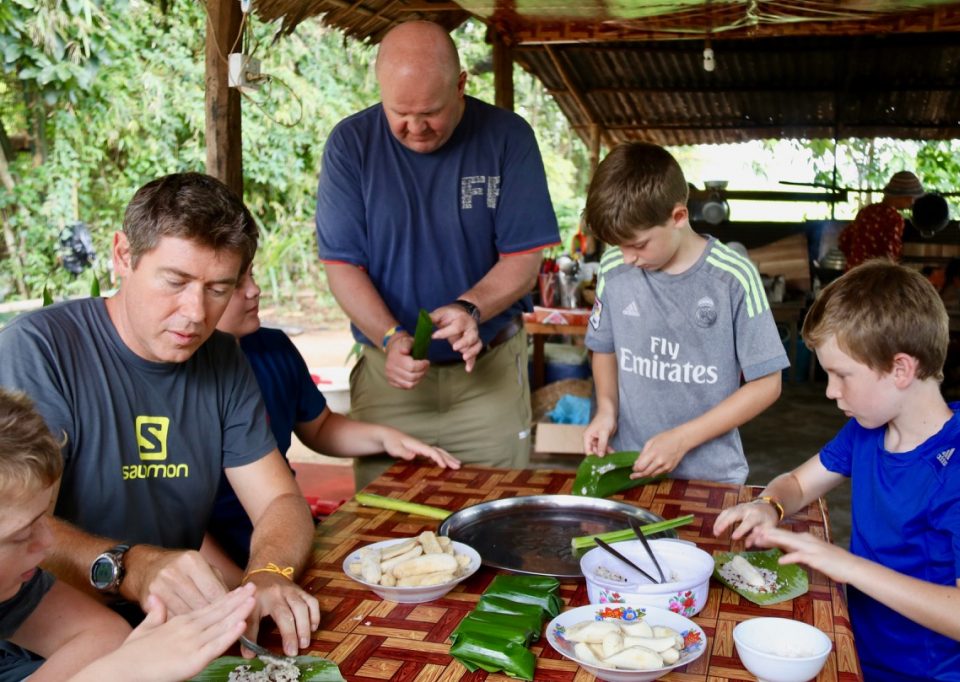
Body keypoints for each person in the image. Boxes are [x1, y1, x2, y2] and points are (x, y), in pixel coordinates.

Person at [0, 173, 319, 660]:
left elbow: (279, 499)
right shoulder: (38, 350)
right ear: (123, 255)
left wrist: (267, 576)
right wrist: (132, 567)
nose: (195, 312)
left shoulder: (223, 358)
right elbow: (18, 525)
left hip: (181, 633)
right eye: (176, 281)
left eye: (218, 288)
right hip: (45, 645)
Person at [713, 261, 960, 680]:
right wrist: (769, 506)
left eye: (842, 375)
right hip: (862, 653)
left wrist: (846, 565)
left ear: (901, 369)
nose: (831, 391)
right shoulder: (867, 432)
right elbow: (798, 483)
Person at [315, 20, 561, 490]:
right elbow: (342, 266)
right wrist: (390, 339)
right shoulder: (351, 145)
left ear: (461, 84)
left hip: (486, 379)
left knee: (494, 512)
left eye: (430, 112)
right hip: (392, 383)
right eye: (399, 113)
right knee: (382, 532)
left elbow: (524, 259)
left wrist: (471, 308)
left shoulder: (508, 138)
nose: (414, 128)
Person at [207, 264, 461, 567]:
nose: (254, 290)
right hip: (215, 558)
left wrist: (388, 438)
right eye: (235, 283)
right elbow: (177, 534)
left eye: (253, 274)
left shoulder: (273, 349)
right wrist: (244, 590)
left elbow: (320, 426)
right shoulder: (173, 378)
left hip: (286, 537)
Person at [0, 387, 259, 682]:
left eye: (43, 517)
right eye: (22, 534)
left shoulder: (13, 580)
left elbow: (105, 634)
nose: (47, 542)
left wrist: (133, 657)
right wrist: (117, 672)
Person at [581, 142, 787, 484]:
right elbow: (604, 348)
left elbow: (767, 383)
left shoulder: (731, 277)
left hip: (710, 476)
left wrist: (683, 439)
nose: (628, 257)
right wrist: (606, 409)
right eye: (619, 245)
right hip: (627, 468)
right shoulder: (615, 268)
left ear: (678, 216)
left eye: (639, 244)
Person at [838, 170, 924, 270]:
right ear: (905, 197)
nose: (911, 202)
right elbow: (890, 254)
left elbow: (844, 240)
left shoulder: (866, 211)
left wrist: (856, 258)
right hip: (875, 275)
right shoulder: (894, 218)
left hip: (853, 272)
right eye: (911, 199)